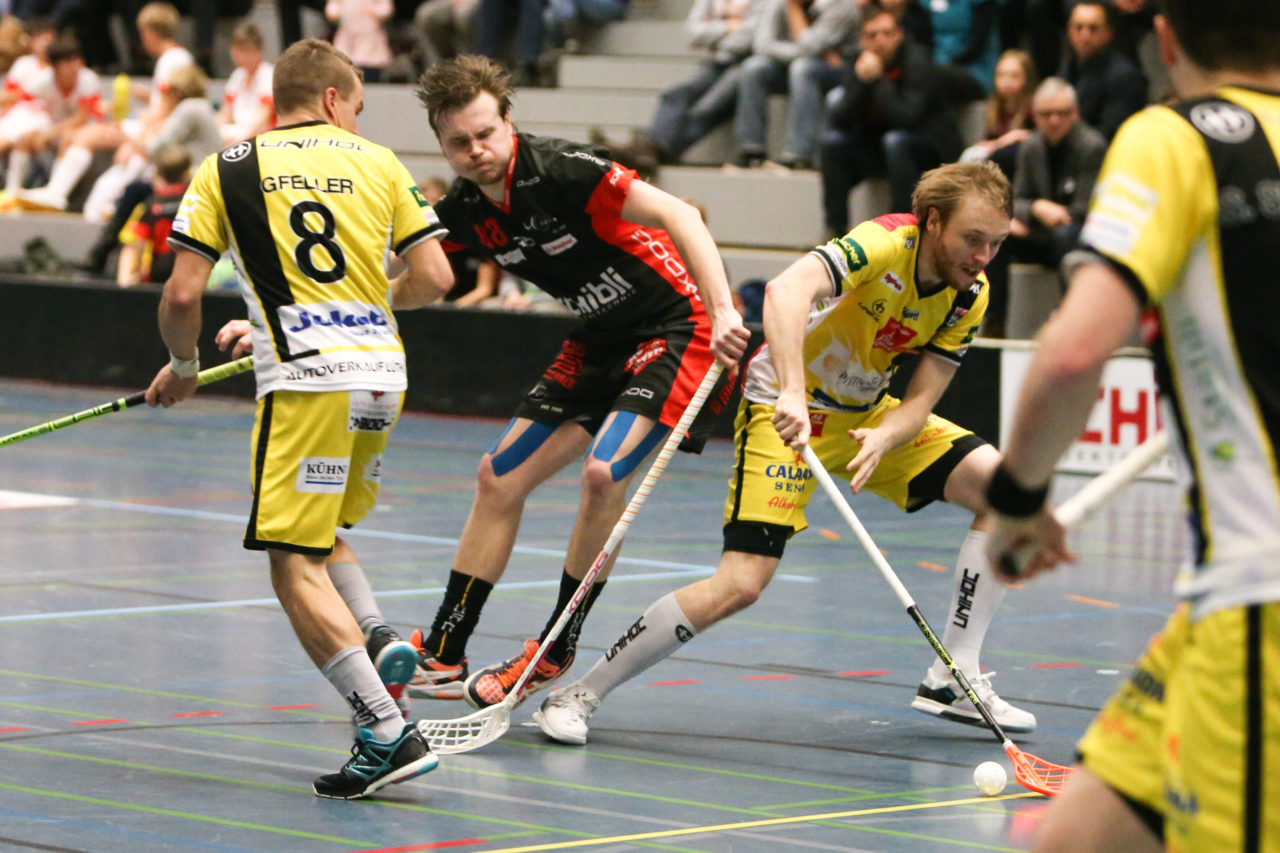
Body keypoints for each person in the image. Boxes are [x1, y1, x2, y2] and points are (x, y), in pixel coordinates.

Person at [534, 160, 1038, 744]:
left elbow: (921, 400)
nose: (982, 256)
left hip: (863, 419)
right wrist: (795, 392)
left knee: (1007, 493)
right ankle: (580, 693)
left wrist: (887, 436)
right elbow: (785, 290)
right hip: (783, 408)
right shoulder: (882, 243)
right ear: (931, 223)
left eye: (996, 244)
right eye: (972, 239)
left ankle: (955, 676)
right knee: (741, 583)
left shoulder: (967, 295)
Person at [983, 2, 1280, 850]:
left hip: (1263, 599)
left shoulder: (1172, 136)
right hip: (1213, 614)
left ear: (1166, 39)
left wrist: (1016, 502)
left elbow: (1075, 351)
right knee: (1067, 838)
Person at [144, 38, 454, 800]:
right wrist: (352, 311)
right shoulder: (379, 162)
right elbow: (436, 277)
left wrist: (184, 368)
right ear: (330, 99)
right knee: (318, 534)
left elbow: (183, 295)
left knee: (289, 561)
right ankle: (378, 632)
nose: (354, 118)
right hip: (382, 380)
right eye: (355, 104)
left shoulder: (228, 167)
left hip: (309, 385)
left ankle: (384, 730)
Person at [409, 54, 750, 709]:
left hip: (678, 325)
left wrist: (726, 308)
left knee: (602, 474)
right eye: (459, 142)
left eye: (486, 133)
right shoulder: (464, 210)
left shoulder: (565, 170)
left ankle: (555, 647)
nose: (477, 151)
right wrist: (333, 315)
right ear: (441, 145)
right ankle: (444, 652)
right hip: (600, 337)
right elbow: (423, 281)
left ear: (509, 121)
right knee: (497, 476)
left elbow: (684, 215)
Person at [19, 1, 191, 212]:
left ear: (150, 33)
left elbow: (169, 109)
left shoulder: (172, 60)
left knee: (84, 135)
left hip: (157, 130)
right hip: (152, 125)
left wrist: (138, 139)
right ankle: (56, 191)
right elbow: (167, 102)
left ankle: (57, 193)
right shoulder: (175, 58)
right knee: (77, 135)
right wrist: (146, 99)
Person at [819, 5, 963, 235]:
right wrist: (861, 82)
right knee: (832, 143)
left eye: (888, 33)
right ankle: (834, 230)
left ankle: (899, 229)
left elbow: (907, 117)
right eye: (872, 35)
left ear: (900, 35)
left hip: (926, 150)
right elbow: (843, 118)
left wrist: (877, 81)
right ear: (861, 40)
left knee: (895, 141)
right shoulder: (856, 61)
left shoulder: (919, 60)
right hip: (878, 148)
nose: (881, 41)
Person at [981, 76, 1106, 336]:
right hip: (1038, 231)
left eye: (1063, 113)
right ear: (1035, 116)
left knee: (1065, 234)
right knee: (995, 234)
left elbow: (1086, 209)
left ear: (1076, 113)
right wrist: (1037, 209)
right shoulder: (1031, 145)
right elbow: (1017, 198)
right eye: (1046, 114)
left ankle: (1070, 321)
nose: (1054, 121)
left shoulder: (1092, 146)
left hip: (1078, 234)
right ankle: (994, 322)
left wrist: (1038, 217)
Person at [730, 0, 861, 169]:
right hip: (797, 63)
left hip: (841, 72)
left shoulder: (840, 6)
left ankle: (799, 153)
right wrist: (808, 53)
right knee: (754, 67)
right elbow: (762, 45)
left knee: (802, 69)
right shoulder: (778, 3)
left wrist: (794, 9)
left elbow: (809, 46)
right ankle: (751, 149)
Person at [1056, 0, 1147, 140]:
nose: (1085, 36)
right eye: (1078, 27)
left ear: (1108, 33)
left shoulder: (1125, 78)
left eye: (1093, 28)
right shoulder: (1069, 66)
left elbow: (1107, 136)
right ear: (1069, 31)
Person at [115, 143, 187, 286]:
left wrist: (125, 283)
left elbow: (134, 244)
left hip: (156, 277)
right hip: (191, 275)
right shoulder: (194, 201)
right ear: (186, 174)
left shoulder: (150, 206)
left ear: (157, 174)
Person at [958, 48, 1036, 179]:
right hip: (996, 161)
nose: (1006, 82)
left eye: (1014, 76)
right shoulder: (993, 108)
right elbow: (989, 141)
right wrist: (999, 142)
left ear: (1026, 79)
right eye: (1001, 75)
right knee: (970, 154)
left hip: (1021, 166)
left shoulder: (1034, 108)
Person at [218, 23, 274, 146]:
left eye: (247, 51)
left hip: (262, 135)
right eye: (239, 50)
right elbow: (225, 113)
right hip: (237, 130)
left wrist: (240, 141)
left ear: (260, 51)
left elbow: (264, 118)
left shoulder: (268, 74)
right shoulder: (237, 75)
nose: (242, 56)